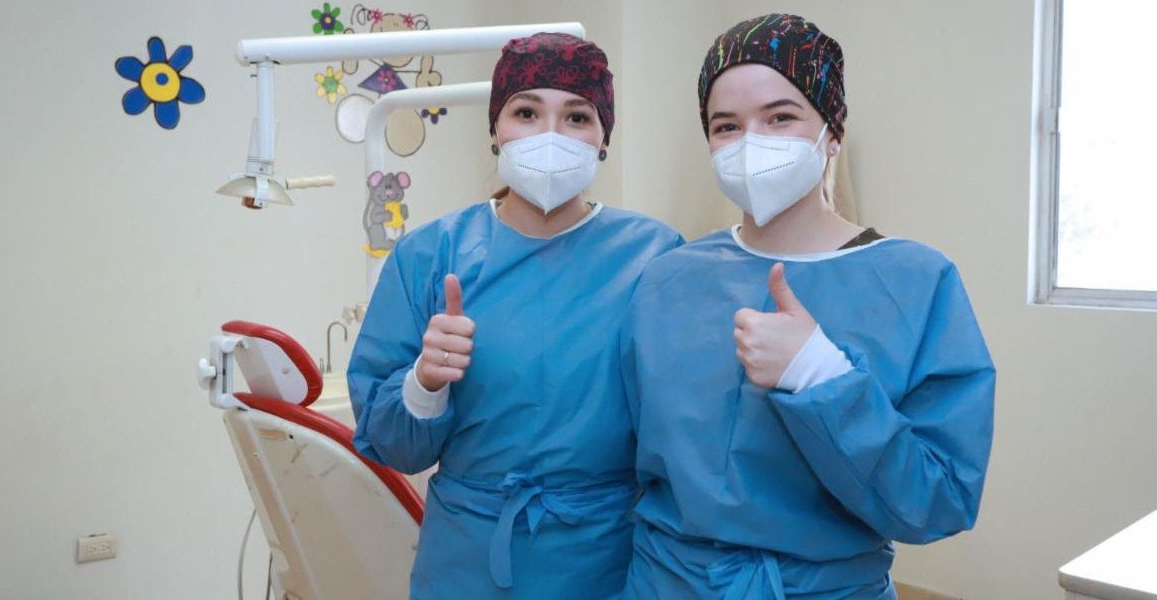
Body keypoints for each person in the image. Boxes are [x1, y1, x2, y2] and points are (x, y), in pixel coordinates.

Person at [622, 14, 996, 599]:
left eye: (780, 117)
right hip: (666, 583)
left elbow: (938, 502)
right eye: (726, 126)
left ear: (833, 130)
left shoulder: (917, 281)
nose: (751, 143)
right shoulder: (668, 279)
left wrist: (820, 373)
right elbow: (616, 462)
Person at [348, 32, 683, 599]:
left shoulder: (654, 257)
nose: (551, 134)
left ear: (603, 138)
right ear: (494, 131)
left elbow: (683, 435)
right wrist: (424, 384)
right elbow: (396, 450)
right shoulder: (430, 255)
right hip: (468, 557)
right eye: (526, 112)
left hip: (606, 556)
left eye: (577, 117)